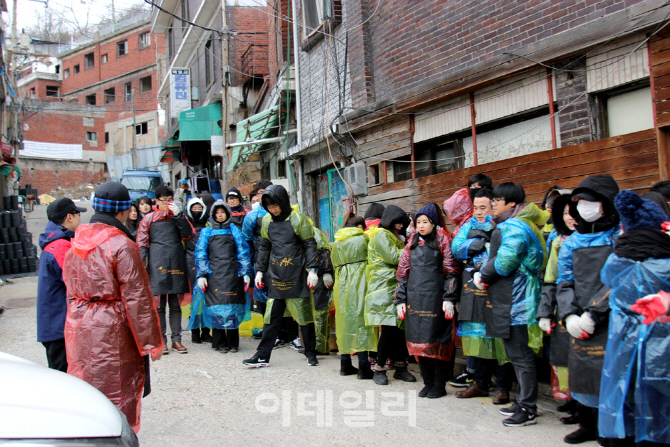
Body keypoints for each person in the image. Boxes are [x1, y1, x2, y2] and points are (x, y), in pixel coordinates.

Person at [62, 182, 163, 433]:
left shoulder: (76, 241)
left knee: (88, 385)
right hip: (113, 327)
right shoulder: (122, 245)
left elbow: (69, 287)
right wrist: (152, 342)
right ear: (122, 211)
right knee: (119, 389)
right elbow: (138, 299)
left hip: (80, 324)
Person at [598, 190, 670, 446]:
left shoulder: (617, 261)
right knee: (658, 406)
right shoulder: (665, 262)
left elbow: (605, 280)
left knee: (623, 395)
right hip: (661, 349)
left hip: (622, 342)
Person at [474, 182, 548, 427]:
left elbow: (505, 261)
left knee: (521, 354)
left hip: (518, 299)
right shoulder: (514, 223)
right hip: (513, 297)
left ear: (512, 203)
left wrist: (482, 275)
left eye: (497, 200)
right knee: (516, 353)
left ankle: (528, 407)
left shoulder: (514, 226)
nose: (493, 204)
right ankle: (522, 401)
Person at [555, 174, 620, 444]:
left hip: (612, 315)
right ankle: (588, 424)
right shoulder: (572, 241)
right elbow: (564, 280)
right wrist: (569, 314)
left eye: (590, 202)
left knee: (612, 371)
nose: (584, 208)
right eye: (579, 202)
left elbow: (621, 278)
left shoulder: (620, 235)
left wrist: (595, 313)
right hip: (579, 316)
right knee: (582, 367)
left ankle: (613, 428)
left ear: (606, 203)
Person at [243, 184, 320, 367]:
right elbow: (264, 246)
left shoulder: (298, 219)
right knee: (271, 317)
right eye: (269, 207)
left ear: (283, 202)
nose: (273, 210)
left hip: (297, 274)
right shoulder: (267, 222)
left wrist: (313, 270)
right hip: (276, 276)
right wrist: (260, 271)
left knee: (304, 317)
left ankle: (311, 353)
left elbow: (310, 244)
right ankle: (262, 355)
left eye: (275, 206)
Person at [452, 188, 513, 405]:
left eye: (483, 208)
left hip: (495, 283)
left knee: (498, 335)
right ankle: (479, 382)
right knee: (475, 335)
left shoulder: (501, 225)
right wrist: (473, 245)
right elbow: (456, 248)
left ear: (493, 206)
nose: (478, 212)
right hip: (471, 285)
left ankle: (504, 385)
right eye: (475, 208)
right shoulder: (467, 225)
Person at [396, 203, 461, 398]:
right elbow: (403, 272)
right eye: (418, 222)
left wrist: (449, 297)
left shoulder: (443, 239)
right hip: (415, 299)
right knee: (419, 342)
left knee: (437, 342)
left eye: (426, 222)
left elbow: (451, 270)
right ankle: (428, 382)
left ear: (434, 222)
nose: (421, 226)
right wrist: (400, 299)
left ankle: (440, 385)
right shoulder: (412, 242)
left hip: (436, 299)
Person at [136, 185, 195, 354]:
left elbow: (188, 234)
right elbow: (142, 243)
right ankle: (162, 340)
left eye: (170, 200)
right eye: (164, 200)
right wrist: (144, 265)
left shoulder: (177, 215)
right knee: (159, 305)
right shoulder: (149, 219)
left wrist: (179, 216)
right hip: (157, 262)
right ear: (157, 201)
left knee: (176, 304)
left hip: (176, 260)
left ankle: (177, 339)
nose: (168, 203)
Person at [537, 191, 579, 423]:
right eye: (565, 213)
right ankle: (573, 401)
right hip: (564, 306)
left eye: (573, 212)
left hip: (591, 307)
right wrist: (545, 311)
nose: (570, 217)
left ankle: (588, 409)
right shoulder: (557, 240)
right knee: (564, 356)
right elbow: (551, 277)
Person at [365, 205, 415, 385]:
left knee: (398, 328)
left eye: (403, 223)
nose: (401, 226)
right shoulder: (381, 234)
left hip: (393, 286)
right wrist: (413, 247)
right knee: (388, 329)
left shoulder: (393, 236)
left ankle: (400, 367)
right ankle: (380, 368)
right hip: (383, 287)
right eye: (399, 222)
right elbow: (394, 257)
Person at [194, 201, 252, 353]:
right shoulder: (206, 232)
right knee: (216, 308)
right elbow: (200, 254)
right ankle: (219, 342)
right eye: (217, 213)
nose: (220, 215)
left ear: (227, 213)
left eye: (223, 212)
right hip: (214, 276)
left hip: (233, 275)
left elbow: (243, 253)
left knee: (232, 307)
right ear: (213, 215)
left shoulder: (234, 231)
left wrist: (245, 272)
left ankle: (233, 343)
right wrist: (201, 275)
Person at [37, 197, 86, 372]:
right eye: (77, 213)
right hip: (58, 327)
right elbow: (76, 282)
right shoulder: (59, 247)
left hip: (54, 324)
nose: (80, 218)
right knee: (64, 378)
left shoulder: (54, 242)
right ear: (69, 217)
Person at [332, 214, 377, 379]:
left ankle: (345, 365)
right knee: (362, 323)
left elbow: (333, 262)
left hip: (342, 284)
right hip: (360, 282)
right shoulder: (364, 240)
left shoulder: (337, 242)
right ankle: (364, 368)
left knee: (344, 323)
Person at [242, 180, 273, 318]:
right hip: (262, 261)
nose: (264, 195)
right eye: (261, 192)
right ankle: (268, 329)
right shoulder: (251, 217)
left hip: (282, 259)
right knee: (263, 295)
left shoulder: (283, 212)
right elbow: (247, 242)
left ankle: (287, 332)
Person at [184, 197, 212, 344]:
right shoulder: (186, 224)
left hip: (207, 261)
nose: (197, 211)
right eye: (194, 209)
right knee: (193, 299)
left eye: (199, 208)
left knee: (207, 297)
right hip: (190, 262)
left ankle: (206, 331)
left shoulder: (208, 223)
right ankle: (195, 331)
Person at [312, 224, 334, 355]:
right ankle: (312, 345)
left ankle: (320, 346)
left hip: (319, 277)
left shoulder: (312, 232)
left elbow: (324, 250)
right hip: (307, 276)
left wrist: (326, 271)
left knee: (320, 311)